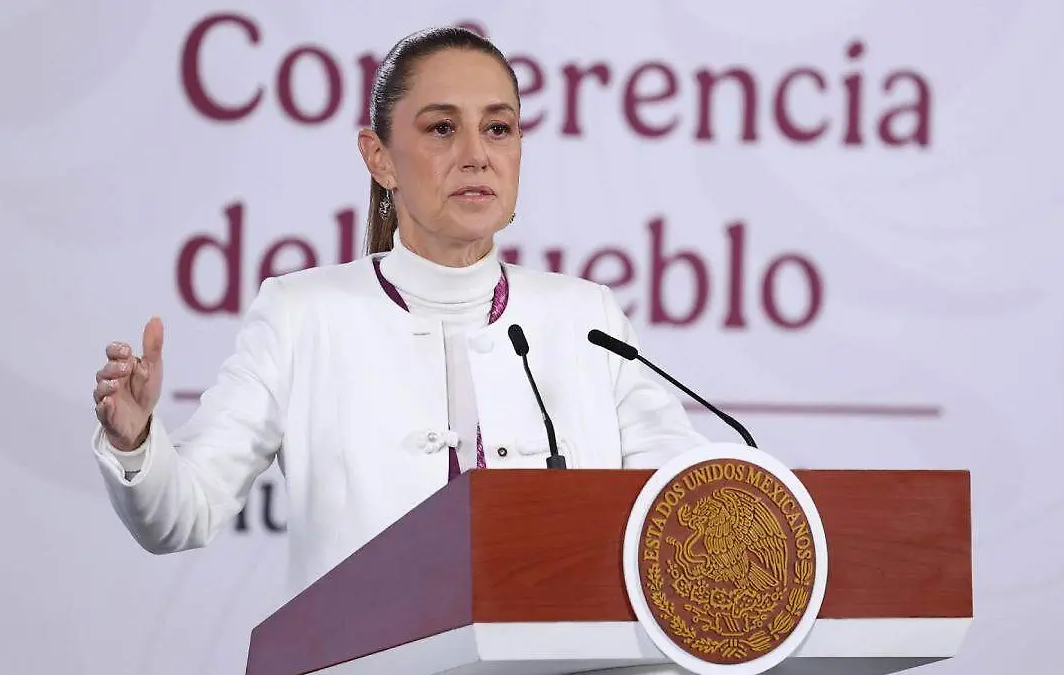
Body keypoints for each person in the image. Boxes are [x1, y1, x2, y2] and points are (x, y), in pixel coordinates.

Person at [90, 26, 708, 611]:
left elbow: (688, 503)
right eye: (442, 129)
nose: (476, 156)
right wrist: (137, 440)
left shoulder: (585, 318)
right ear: (379, 158)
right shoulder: (303, 315)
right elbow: (186, 511)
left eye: (499, 129)